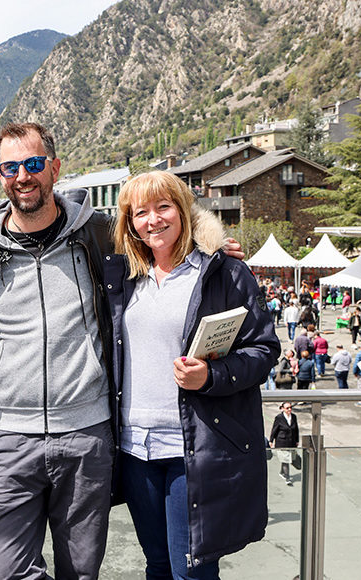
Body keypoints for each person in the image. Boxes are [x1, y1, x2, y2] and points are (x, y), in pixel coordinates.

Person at [0, 122, 118, 578]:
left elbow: (167, 243)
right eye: (10, 167)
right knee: (6, 572)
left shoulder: (99, 234)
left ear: (55, 168)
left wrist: (214, 248)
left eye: (32, 164)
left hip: (86, 434)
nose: (22, 176)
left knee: (80, 573)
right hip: (8, 438)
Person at [104, 170, 279, 578]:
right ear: (129, 222)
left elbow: (264, 349)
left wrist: (211, 376)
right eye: (140, 212)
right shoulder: (124, 277)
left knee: (192, 570)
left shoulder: (223, 273)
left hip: (193, 448)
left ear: (184, 212)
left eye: (163, 207)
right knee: (157, 565)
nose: (153, 220)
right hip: (135, 449)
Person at [269, 402, 300, 485]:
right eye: (287, 408)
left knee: (287, 458)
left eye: (290, 407)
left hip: (291, 442)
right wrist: (271, 440)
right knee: (286, 460)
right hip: (282, 442)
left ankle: (282, 472)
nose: (289, 409)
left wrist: (297, 440)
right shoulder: (279, 418)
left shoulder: (294, 417)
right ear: (282, 409)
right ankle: (287, 478)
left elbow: (296, 429)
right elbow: (274, 429)